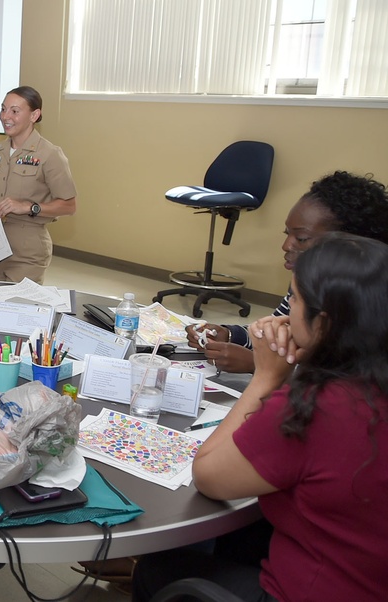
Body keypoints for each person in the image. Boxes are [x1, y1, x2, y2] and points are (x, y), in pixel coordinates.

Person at [134, 233, 388, 601]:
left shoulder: (317, 408)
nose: (279, 316)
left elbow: (208, 477)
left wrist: (267, 377)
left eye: (294, 300)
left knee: (158, 570)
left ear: (324, 324)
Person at [185, 171, 388, 373]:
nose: (285, 245)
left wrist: (260, 367)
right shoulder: (307, 280)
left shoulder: (368, 306)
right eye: (287, 233)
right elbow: (278, 333)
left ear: (351, 244)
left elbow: (347, 384)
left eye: (301, 238)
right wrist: (230, 335)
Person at [0, 86, 77, 283]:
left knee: (17, 308)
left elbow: (69, 205)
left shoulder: (49, 154)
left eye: (15, 111)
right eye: (3, 109)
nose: (6, 116)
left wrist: (28, 207)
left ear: (34, 115)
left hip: (28, 253)